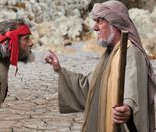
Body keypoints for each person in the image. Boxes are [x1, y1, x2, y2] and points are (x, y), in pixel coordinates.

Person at [45, 1, 155, 132]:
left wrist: (127, 107)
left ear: (115, 24)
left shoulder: (132, 52)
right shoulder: (110, 53)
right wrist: (59, 69)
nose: (95, 27)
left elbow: (133, 88)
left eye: (99, 21)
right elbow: (88, 86)